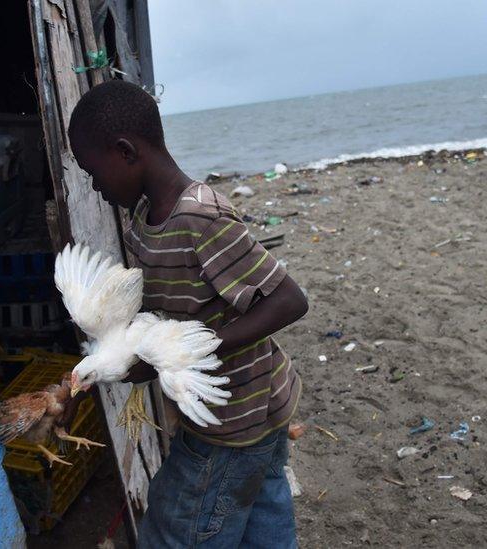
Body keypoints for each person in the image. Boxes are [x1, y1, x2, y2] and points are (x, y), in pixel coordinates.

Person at [68, 80, 308, 548]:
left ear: (125, 151)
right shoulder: (143, 218)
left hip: (231, 420)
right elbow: (166, 310)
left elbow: (289, 300)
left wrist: (196, 351)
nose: (95, 189)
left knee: (179, 529)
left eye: (94, 174)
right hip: (252, 410)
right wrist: (145, 357)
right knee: (264, 517)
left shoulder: (202, 219)